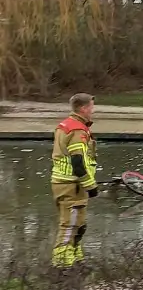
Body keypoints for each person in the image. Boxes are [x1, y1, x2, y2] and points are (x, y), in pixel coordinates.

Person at [50, 93, 99, 269]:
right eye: (91, 107)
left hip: (66, 183)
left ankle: (76, 260)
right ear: (84, 108)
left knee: (79, 225)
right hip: (72, 184)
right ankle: (62, 266)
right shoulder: (77, 130)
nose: (93, 111)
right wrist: (90, 185)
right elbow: (78, 162)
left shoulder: (65, 125)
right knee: (70, 225)